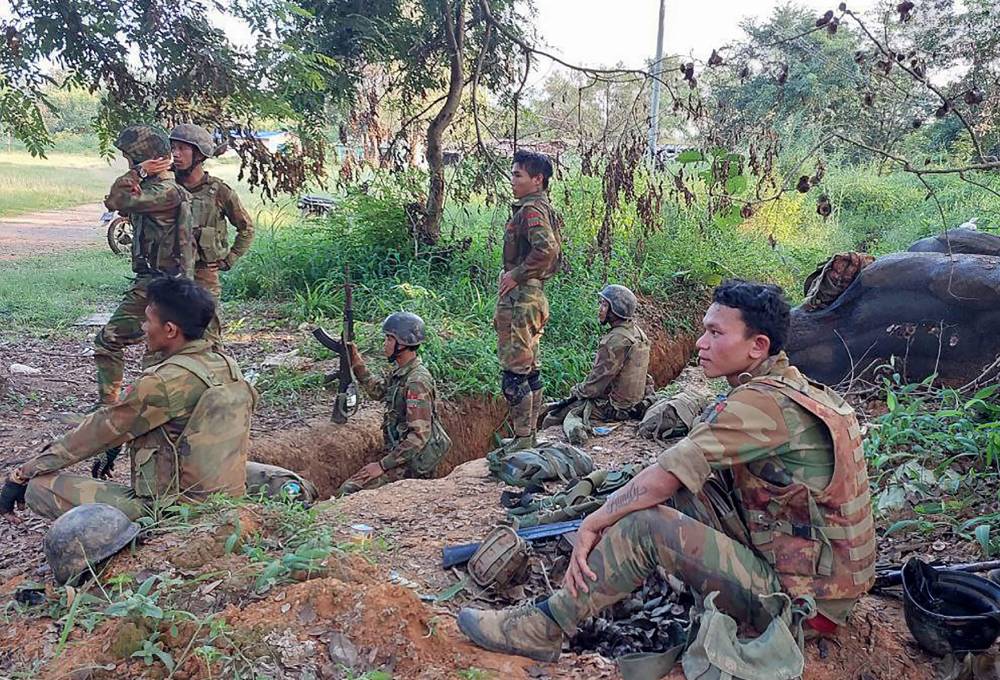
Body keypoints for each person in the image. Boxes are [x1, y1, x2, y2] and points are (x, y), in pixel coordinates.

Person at [458, 280, 876, 662]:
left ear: (757, 345)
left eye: (715, 333)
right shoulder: (792, 387)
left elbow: (666, 473)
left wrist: (595, 521)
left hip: (805, 606)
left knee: (646, 523)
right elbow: (677, 473)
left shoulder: (761, 405)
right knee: (666, 494)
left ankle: (546, 626)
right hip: (823, 583)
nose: (700, 343)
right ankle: (606, 584)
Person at [0, 277, 311, 523]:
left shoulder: (162, 383)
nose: (143, 328)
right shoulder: (225, 365)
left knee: (40, 488)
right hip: (222, 491)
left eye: (148, 320)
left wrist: (23, 473)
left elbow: (92, 434)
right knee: (285, 482)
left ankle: (144, 535)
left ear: (171, 329)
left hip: (176, 509)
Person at [94, 125, 196, 407]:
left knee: (109, 340)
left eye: (130, 158)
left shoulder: (164, 191)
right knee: (160, 353)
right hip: (159, 283)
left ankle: (109, 412)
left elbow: (116, 200)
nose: (127, 163)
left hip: (158, 285)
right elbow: (119, 206)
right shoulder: (157, 189)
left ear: (144, 157)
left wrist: (139, 172)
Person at [338, 312, 451, 495]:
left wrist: (382, 465)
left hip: (412, 465)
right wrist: (357, 363)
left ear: (403, 344)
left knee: (350, 490)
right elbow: (379, 391)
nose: (385, 344)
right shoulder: (403, 373)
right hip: (401, 456)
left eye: (389, 339)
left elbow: (418, 438)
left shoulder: (416, 382)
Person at [495, 149, 562, 453]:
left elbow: (546, 250)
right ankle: (528, 435)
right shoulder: (537, 207)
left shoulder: (532, 210)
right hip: (532, 297)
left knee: (515, 371)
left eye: (518, 174)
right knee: (529, 368)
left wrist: (516, 275)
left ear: (538, 180)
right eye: (513, 173)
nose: (513, 180)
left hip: (522, 298)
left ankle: (523, 439)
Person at [168, 124, 255, 349]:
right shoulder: (165, 187)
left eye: (182, 149)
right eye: (173, 148)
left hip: (204, 273)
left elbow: (246, 228)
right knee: (170, 334)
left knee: (208, 335)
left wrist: (230, 258)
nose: (175, 154)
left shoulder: (219, 191)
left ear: (198, 155)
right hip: (170, 272)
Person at [545, 284, 651, 428]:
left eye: (604, 305)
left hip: (616, 409)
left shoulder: (615, 340)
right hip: (637, 403)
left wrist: (576, 391)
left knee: (552, 418)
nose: (600, 309)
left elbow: (594, 386)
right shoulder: (638, 333)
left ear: (615, 311)